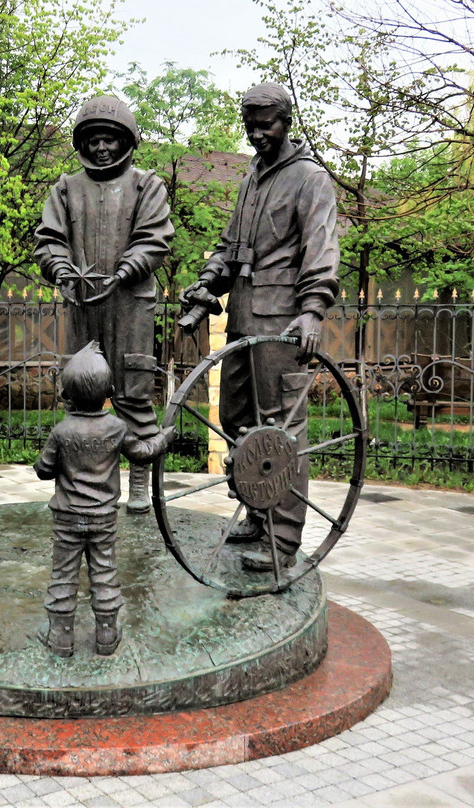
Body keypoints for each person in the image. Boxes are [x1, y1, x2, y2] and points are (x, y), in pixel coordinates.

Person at [180, 82, 340, 573]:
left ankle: (283, 540)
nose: (256, 133)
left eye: (265, 124)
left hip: (284, 325)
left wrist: (313, 309)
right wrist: (208, 282)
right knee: (236, 423)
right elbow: (231, 246)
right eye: (249, 124)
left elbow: (322, 250)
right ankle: (256, 511)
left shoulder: (310, 179)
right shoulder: (252, 177)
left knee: (280, 433)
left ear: (287, 121)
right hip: (243, 320)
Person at [34, 95, 174, 515]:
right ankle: (75, 483)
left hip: (129, 306)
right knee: (78, 396)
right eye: (93, 140)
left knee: (134, 395)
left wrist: (122, 274)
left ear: (125, 141)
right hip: (81, 306)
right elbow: (49, 240)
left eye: (109, 140)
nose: (101, 148)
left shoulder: (146, 185)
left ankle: (139, 486)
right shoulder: (65, 188)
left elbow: (155, 238)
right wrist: (61, 270)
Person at [34, 342, 174, 657]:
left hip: (67, 519)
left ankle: (61, 637)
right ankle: (107, 635)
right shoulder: (117, 427)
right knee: (104, 571)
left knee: (63, 574)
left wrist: (51, 465)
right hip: (103, 519)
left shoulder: (61, 431)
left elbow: (43, 471)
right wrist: (162, 439)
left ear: (66, 395)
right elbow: (142, 452)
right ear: (109, 391)